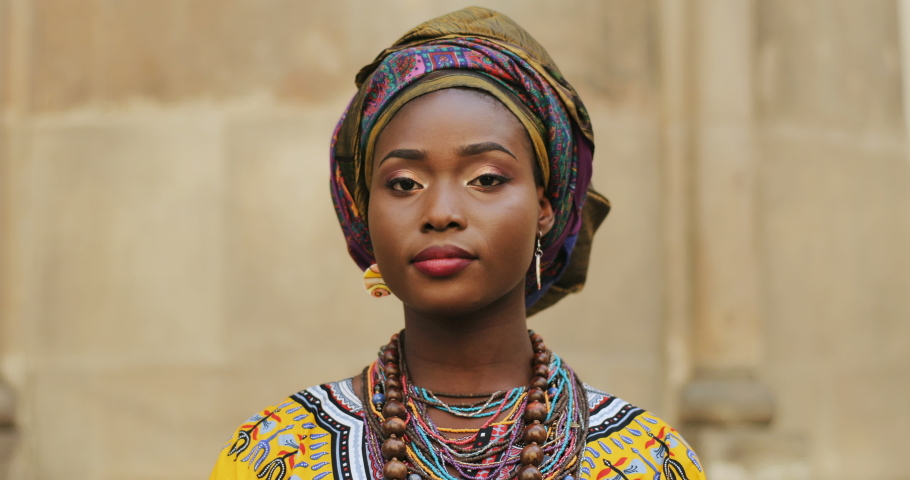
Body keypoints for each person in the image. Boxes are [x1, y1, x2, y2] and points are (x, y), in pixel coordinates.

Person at [209, 7, 705, 480]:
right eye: (404, 183)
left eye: (486, 178)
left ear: (545, 207)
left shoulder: (650, 460)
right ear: (365, 214)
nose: (441, 213)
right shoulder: (273, 455)